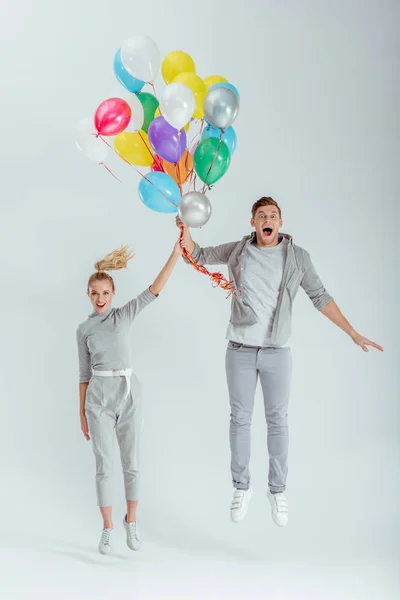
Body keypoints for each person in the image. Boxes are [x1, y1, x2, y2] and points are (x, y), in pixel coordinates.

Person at [176, 197, 383, 527]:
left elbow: (321, 297)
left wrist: (353, 333)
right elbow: (196, 255)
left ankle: (278, 491)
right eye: (261, 216)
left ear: (280, 223)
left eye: (272, 215)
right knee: (240, 419)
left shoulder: (298, 258)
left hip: (277, 352)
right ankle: (242, 487)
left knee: (278, 421)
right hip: (240, 349)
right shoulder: (238, 251)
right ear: (253, 223)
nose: (267, 220)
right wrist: (185, 226)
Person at [76, 241, 181, 555]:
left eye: (105, 293)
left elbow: (154, 289)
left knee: (131, 462)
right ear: (88, 294)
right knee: (104, 464)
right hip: (98, 397)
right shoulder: (83, 330)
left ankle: (130, 522)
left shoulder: (124, 315)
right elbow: (83, 374)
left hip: (128, 392)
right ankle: (107, 527)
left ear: (113, 293)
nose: (100, 298)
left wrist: (175, 253)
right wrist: (81, 414)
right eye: (94, 293)